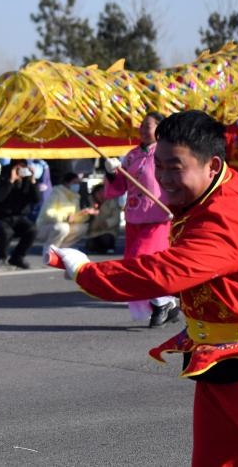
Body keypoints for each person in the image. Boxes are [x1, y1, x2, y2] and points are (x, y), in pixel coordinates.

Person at [49, 110, 238, 467]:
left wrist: (86, 272)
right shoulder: (210, 191)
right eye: (158, 166)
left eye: (174, 168)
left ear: (212, 165)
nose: (163, 178)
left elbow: (165, 274)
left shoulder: (226, 215)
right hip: (219, 359)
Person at [102, 112, 178, 327]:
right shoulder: (132, 155)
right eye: (142, 126)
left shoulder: (167, 153)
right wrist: (112, 173)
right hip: (135, 216)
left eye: (148, 126)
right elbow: (119, 186)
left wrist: (178, 203)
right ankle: (166, 302)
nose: (144, 130)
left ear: (159, 129)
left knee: (142, 259)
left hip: (159, 214)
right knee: (133, 264)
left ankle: (162, 302)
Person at [0, 159, 40, 269]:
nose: (21, 170)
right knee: (6, 232)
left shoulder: (27, 181)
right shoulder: (2, 180)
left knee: (32, 230)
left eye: (23, 167)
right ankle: (1, 257)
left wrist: (33, 180)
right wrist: (11, 181)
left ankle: (17, 257)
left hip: (19, 217)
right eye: (18, 167)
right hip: (0, 217)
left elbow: (36, 199)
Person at [36, 172, 94, 253]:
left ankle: (62, 249)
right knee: (63, 228)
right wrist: (65, 217)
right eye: (74, 182)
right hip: (46, 226)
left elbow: (73, 218)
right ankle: (49, 250)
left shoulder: (75, 197)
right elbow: (48, 213)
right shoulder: (56, 193)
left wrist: (84, 214)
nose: (77, 185)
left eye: (78, 183)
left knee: (82, 228)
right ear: (66, 183)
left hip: (63, 226)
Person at [81, 183, 121, 254]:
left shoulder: (112, 202)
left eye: (103, 192)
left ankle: (108, 247)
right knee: (91, 245)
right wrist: (90, 213)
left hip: (108, 231)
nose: (101, 195)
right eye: (99, 193)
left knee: (106, 240)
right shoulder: (89, 202)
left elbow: (116, 217)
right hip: (93, 232)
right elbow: (84, 217)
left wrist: (107, 223)